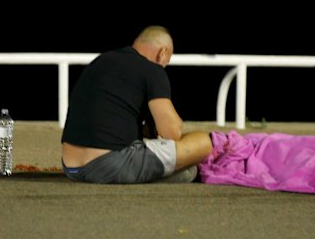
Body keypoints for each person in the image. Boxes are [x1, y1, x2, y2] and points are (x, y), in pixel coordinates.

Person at [61, 25, 213, 184]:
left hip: (71, 167)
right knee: (203, 142)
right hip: (109, 164)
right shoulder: (152, 69)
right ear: (163, 53)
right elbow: (172, 133)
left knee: (184, 170)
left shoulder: (101, 60)